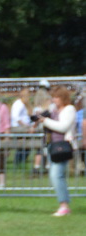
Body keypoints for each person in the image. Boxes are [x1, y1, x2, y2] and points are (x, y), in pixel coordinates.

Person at [38, 85, 76, 216]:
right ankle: (64, 205)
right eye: (53, 97)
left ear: (63, 98)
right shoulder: (53, 110)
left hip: (63, 146)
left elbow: (63, 127)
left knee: (56, 175)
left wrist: (46, 120)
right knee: (57, 176)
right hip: (52, 145)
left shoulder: (69, 109)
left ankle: (64, 205)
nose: (54, 100)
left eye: (56, 97)